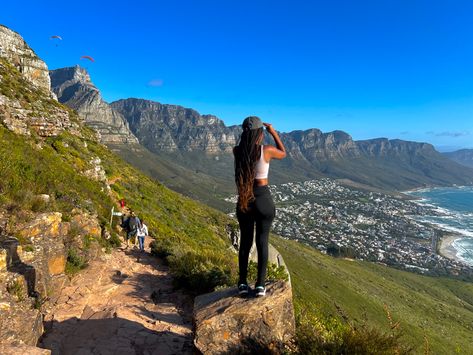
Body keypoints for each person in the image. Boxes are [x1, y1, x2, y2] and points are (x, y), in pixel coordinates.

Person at [233, 116, 286, 297]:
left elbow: (243, 149)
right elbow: (283, 152)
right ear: (260, 134)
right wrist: (273, 132)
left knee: (245, 243)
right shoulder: (267, 150)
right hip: (263, 198)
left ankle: (242, 283)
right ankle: (260, 285)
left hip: (245, 198)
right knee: (262, 242)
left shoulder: (236, 151)